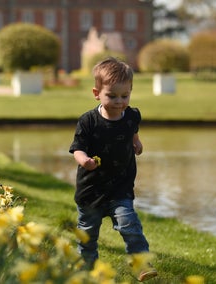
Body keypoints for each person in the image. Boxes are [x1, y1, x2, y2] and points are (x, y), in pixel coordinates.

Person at [69, 57, 157, 281]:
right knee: (87, 234)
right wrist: (85, 161)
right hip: (91, 190)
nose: (119, 102)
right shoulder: (88, 121)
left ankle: (141, 265)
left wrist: (136, 142)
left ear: (130, 92)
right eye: (112, 96)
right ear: (96, 93)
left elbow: (132, 130)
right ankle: (86, 269)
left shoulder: (132, 116)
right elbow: (77, 148)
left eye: (125, 96)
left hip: (120, 187)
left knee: (130, 224)